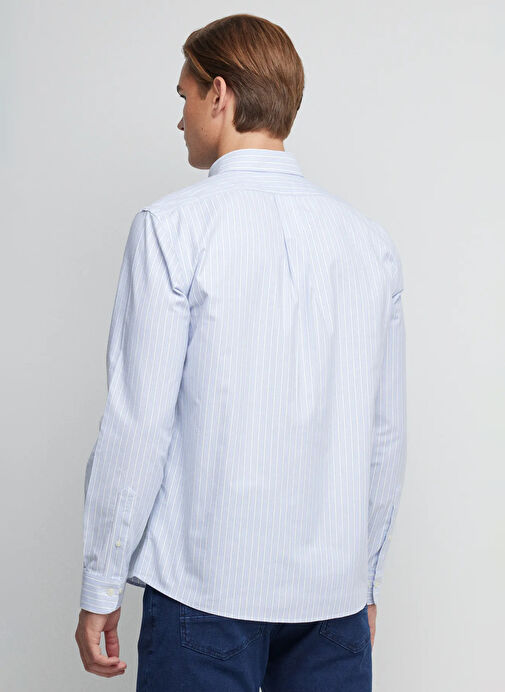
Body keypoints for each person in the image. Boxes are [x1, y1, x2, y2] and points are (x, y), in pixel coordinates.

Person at [74, 13, 407, 691]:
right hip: (333, 600)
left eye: (184, 96)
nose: (180, 119)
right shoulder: (368, 244)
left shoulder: (172, 229)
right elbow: (385, 435)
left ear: (218, 95)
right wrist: (365, 577)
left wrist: (101, 583)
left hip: (202, 591)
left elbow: (138, 424)